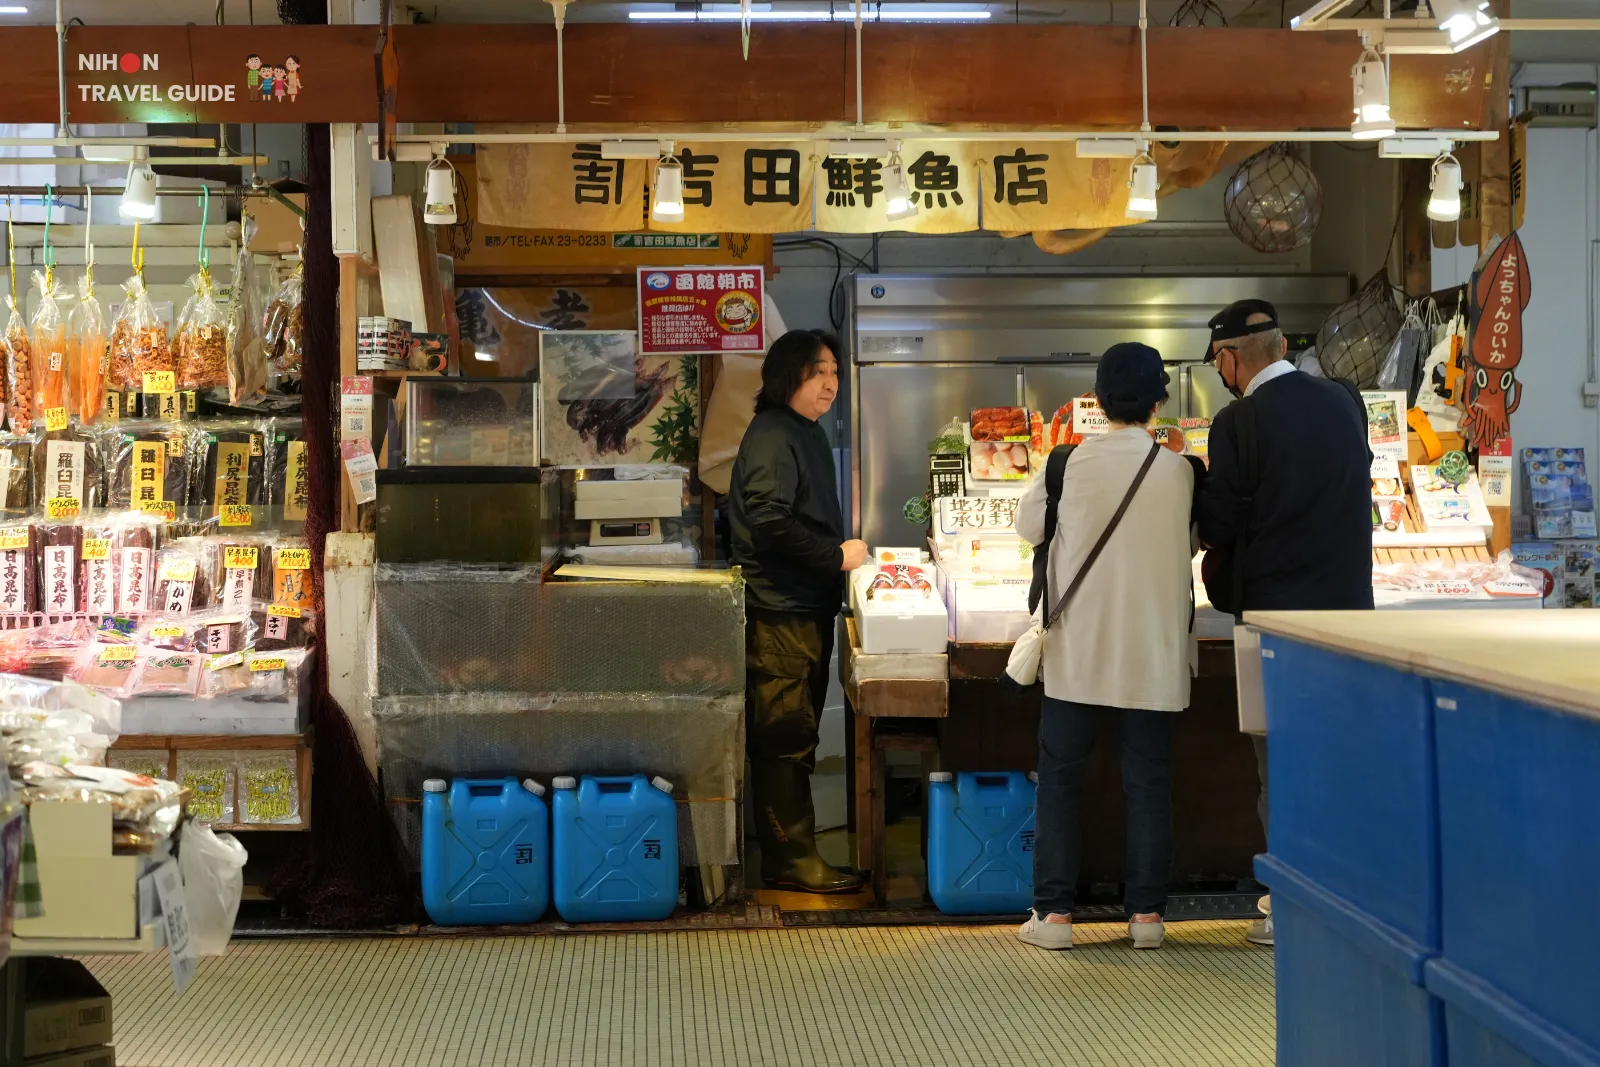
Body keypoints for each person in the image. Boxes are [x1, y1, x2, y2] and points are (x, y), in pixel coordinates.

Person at [1197, 299, 1375, 947]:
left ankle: (1291, 905)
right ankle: (1349, 897)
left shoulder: (1237, 422)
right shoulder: (1345, 402)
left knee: (1282, 764)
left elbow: (1218, 525)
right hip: (1353, 621)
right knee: (1341, 757)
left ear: (1229, 357)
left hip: (1274, 624)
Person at [1015, 343, 1199, 952]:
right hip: (1153, 651)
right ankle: (1147, 917)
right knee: (1149, 781)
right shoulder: (1182, 470)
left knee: (1061, 777)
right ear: (1159, 400)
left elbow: (1026, 529)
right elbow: (1194, 539)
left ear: (1097, 399)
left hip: (1078, 650)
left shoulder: (1068, 464)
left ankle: (1055, 917)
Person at [728, 329, 867, 895]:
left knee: (799, 729)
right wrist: (834, 556)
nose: (830, 384)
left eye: (834, 372)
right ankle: (789, 858)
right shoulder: (772, 435)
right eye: (818, 373)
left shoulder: (802, 431)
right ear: (788, 377)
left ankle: (799, 851)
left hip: (802, 608)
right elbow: (768, 519)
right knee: (784, 734)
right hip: (778, 612)